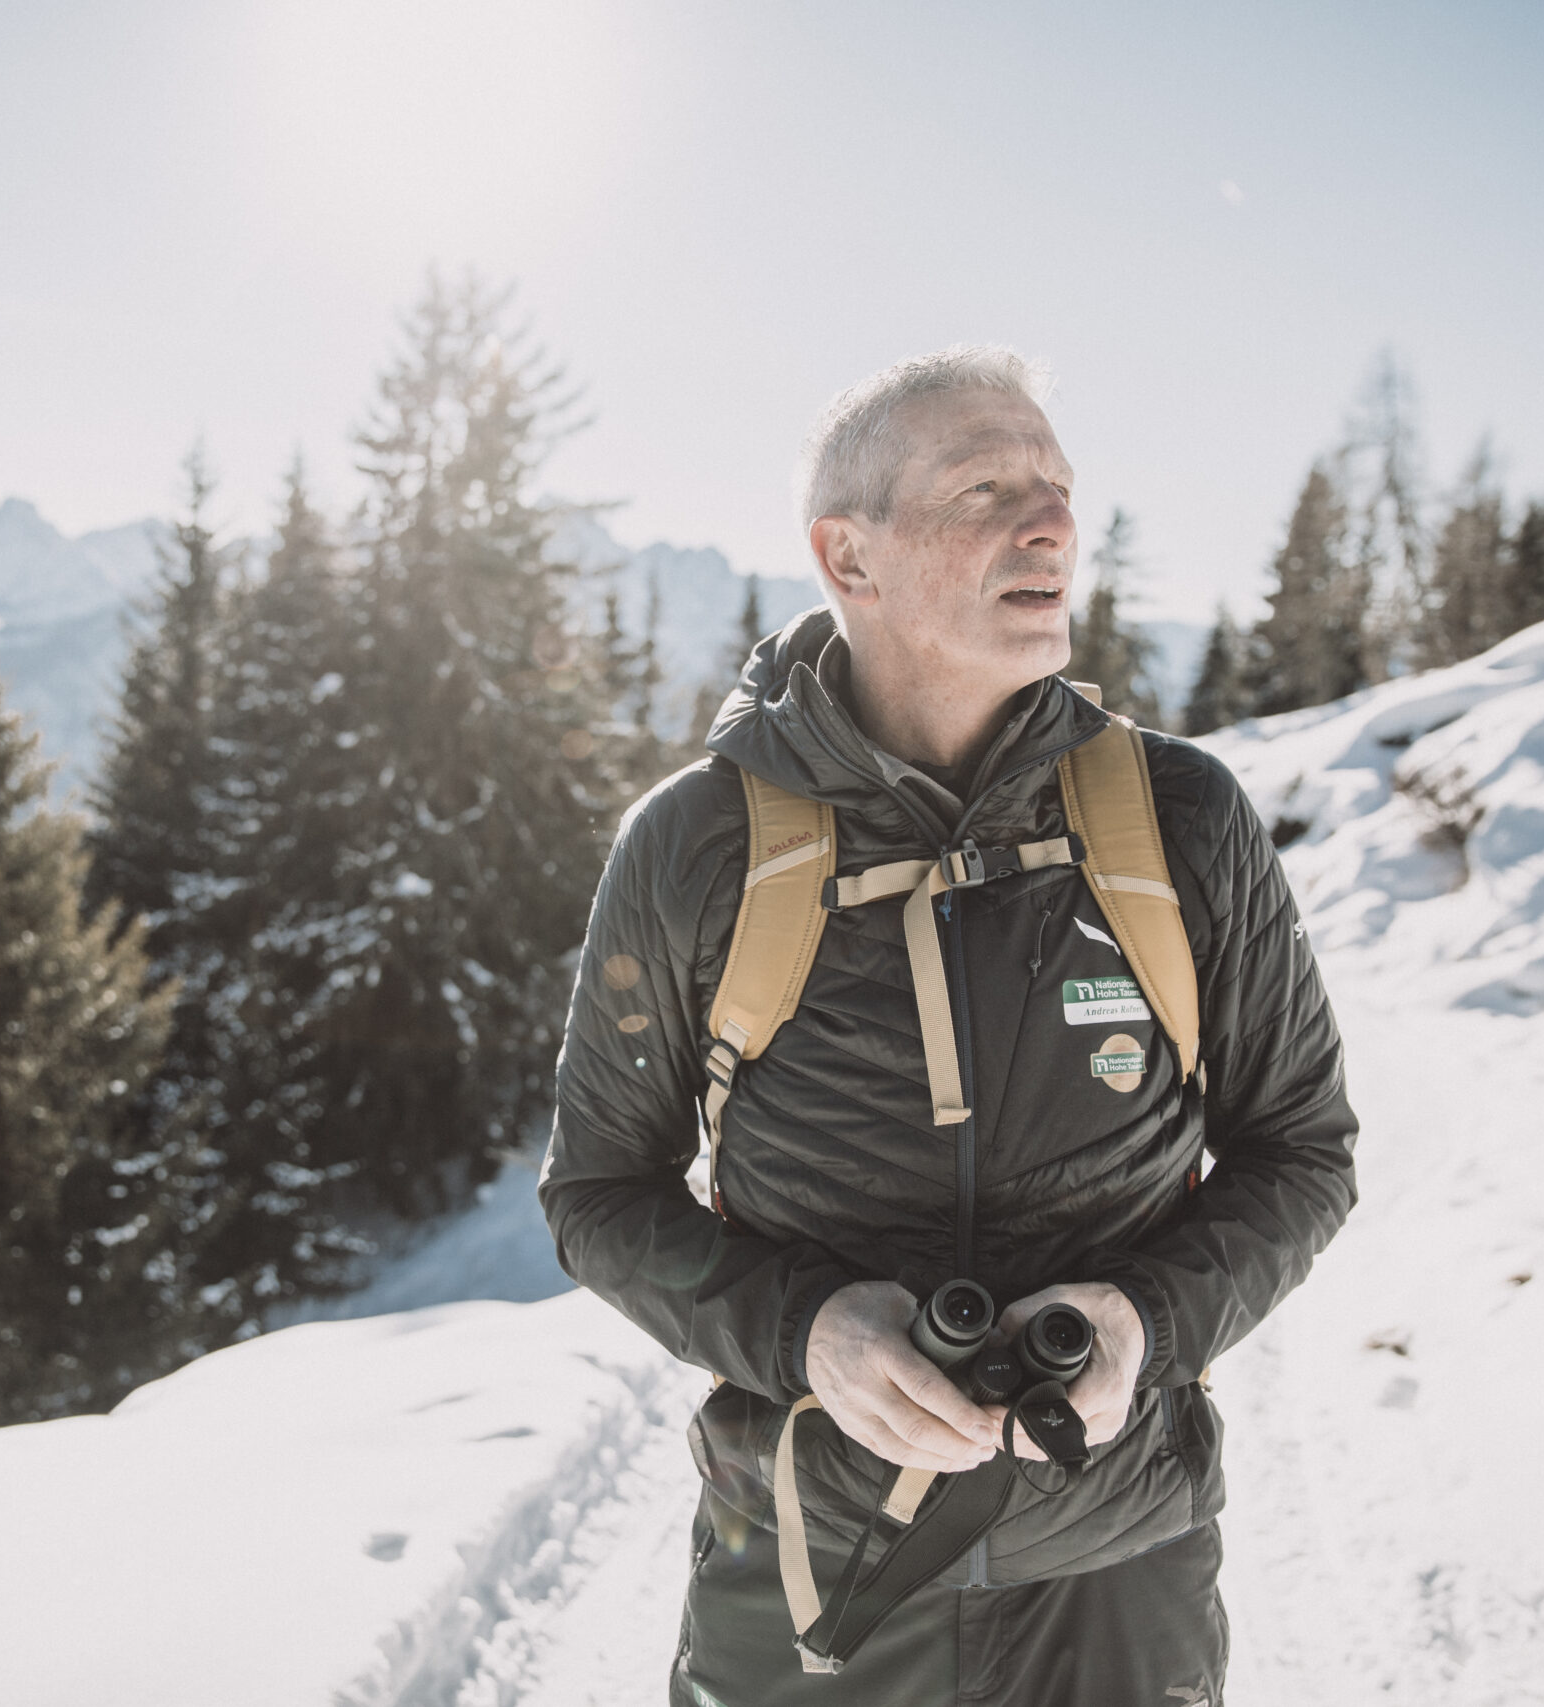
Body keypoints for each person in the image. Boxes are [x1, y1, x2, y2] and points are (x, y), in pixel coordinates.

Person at [539, 346, 1358, 1706]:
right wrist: (810, 1332)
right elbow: (599, 1195)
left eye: (1057, 486)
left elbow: (1303, 1154)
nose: (1049, 523)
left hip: (1120, 1576)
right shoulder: (698, 847)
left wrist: (1144, 1321)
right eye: (986, 489)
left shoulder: (1184, 820)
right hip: (810, 1579)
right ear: (848, 558)